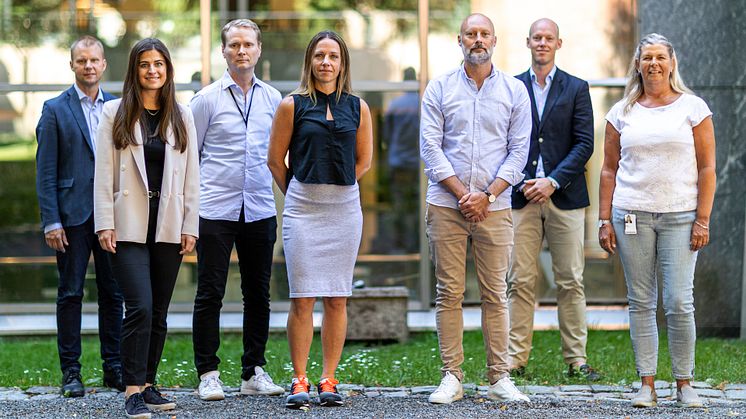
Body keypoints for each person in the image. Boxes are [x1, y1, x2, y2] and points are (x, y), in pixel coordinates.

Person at [599, 33, 715, 409]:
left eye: (660, 57)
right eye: (646, 57)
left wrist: (703, 219)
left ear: (671, 63)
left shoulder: (693, 108)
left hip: (681, 216)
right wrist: (604, 219)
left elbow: (708, 167)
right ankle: (646, 384)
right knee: (641, 302)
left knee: (680, 301)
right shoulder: (622, 112)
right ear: (637, 65)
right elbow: (608, 170)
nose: (653, 64)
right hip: (631, 214)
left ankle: (685, 383)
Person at [420, 13, 532, 405]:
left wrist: (486, 194)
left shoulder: (515, 91)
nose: (478, 40)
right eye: (471, 34)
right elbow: (430, 148)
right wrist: (462, 193)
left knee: (495, 293)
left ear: (495, 41)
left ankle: (499, 376)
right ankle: (452, 375)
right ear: (460, 40)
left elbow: (520, 150)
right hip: (446, 205)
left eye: (484, 34)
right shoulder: (439, 88)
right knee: (448, 292)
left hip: (496, 206)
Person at [267, 30, 373, 410]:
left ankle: (329, 378)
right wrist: (299, 191)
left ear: (342, 63)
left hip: (344, 209)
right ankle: (299, 379)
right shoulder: (290, 105)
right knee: (302, 298)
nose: (326, 62)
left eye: (333, 56)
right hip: (303, 209)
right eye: (319, 56)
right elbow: (275, 160)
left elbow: (364, 160)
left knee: (337, 298)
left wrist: (339, 187)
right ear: (309, 61)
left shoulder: (358, 107)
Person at [94, 38, 199, 418]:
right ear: (134, 70)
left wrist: (191, 225)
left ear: (168, 70)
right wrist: (104, 222)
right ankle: (132, 389)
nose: (152, 70)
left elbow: (192, 177)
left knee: (159, 310)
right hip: (128, 223)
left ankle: (149, 383)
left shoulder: (181, 115)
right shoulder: (114, 112)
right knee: (139, 305)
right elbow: (103, 174)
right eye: (144, 64)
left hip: (168, 225)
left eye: (159, 64)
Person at [189, 19, 285, 401]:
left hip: (259, 206)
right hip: (215, 209)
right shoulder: (206, 99)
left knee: (258, 293)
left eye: (248, 44)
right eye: (234, 45)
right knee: (210, 292)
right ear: (223, 51)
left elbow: (280, 154)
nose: (241, 51)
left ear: (259, 50)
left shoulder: (275, 99)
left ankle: (253, 370)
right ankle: (208, 373)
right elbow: (189, 158)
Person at [508, 18, 598, 380]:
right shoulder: (511, 87)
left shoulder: (576, 88)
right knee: (519, 280)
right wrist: (524, 181)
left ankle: (576, 360)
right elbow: (505, 140)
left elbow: (585, 144)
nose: (542, 43)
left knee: (571, 279)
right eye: (537, 37)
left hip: (566, 197)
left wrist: (554, 181)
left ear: (559, 43)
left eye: (549, 38)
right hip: (521, 196)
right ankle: (514, 360)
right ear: (527, 42)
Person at [35, 35, 124, 397]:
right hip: (70, 217)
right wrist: (50, 219)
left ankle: (114, 367)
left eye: (94, 60)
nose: (88, 66)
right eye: (81, 60)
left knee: (113, 293)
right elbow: (46, 170)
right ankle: (71, 372)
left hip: (111, 216)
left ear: (104, 65)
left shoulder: (118, 108)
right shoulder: (55, 108)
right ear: (72, 65)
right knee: (70, 293)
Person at [382, 67, 420, 254]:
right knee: (417, 205)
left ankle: (399, 246)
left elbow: (386, 137)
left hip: (398, 164)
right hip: (418, 165)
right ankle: (415, 245)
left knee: (399, 205)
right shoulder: (422, 104)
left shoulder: (395, 106)